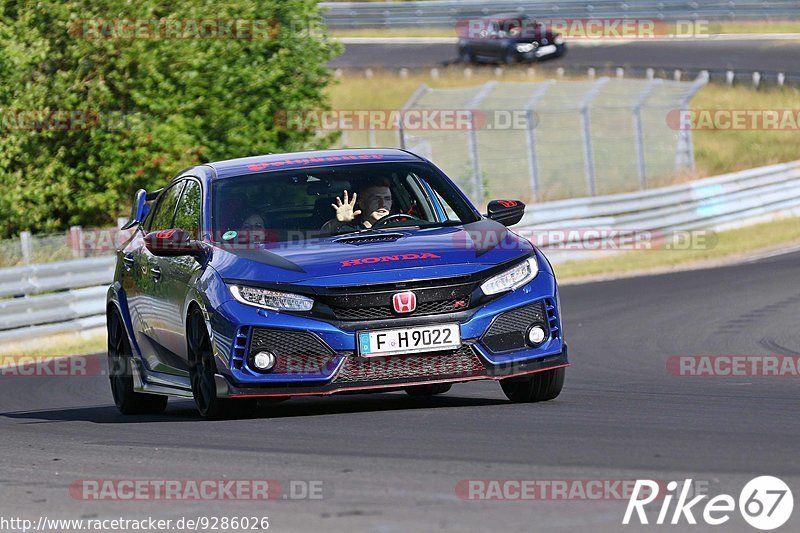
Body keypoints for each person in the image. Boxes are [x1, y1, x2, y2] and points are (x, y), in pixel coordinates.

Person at [321, 177, 393, 234]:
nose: (382, 204)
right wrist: (338, 222)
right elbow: (322, 235)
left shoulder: (401, 226)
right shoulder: (350, 231)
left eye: (387, 199)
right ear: (362, 204)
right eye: (375, 199)